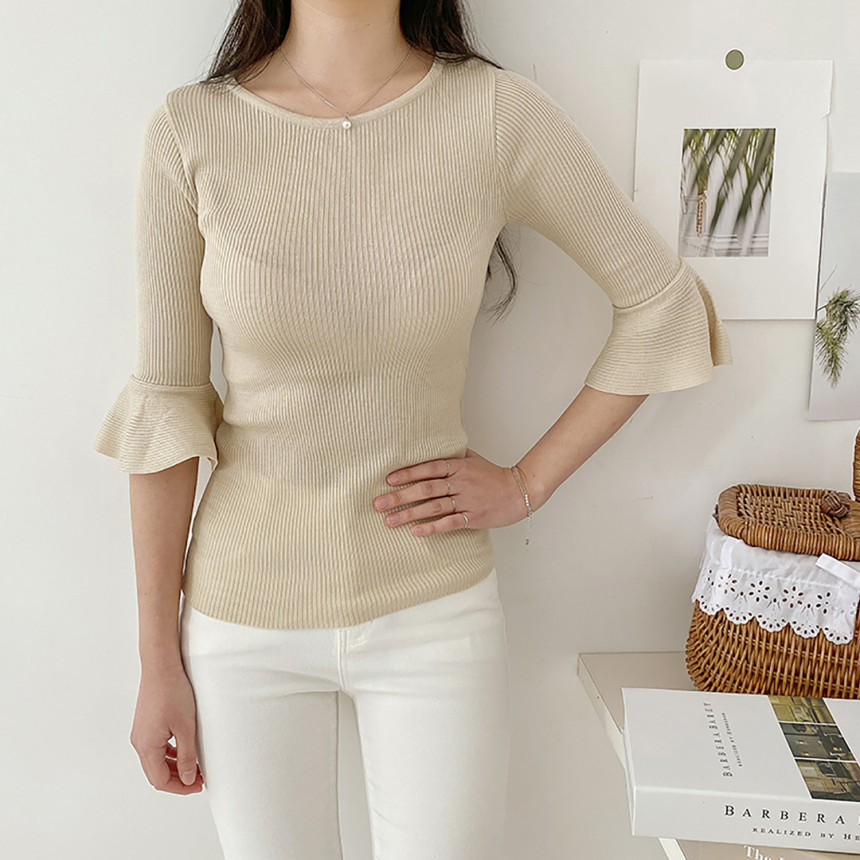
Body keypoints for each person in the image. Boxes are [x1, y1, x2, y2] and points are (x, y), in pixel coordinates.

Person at [92, 0, 732, 857]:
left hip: (434, 616)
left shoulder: (494, 115)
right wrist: (156, 662)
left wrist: (527, 483)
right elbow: (165, 407)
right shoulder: (190, 130)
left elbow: (664, 305)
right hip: (241, 624)